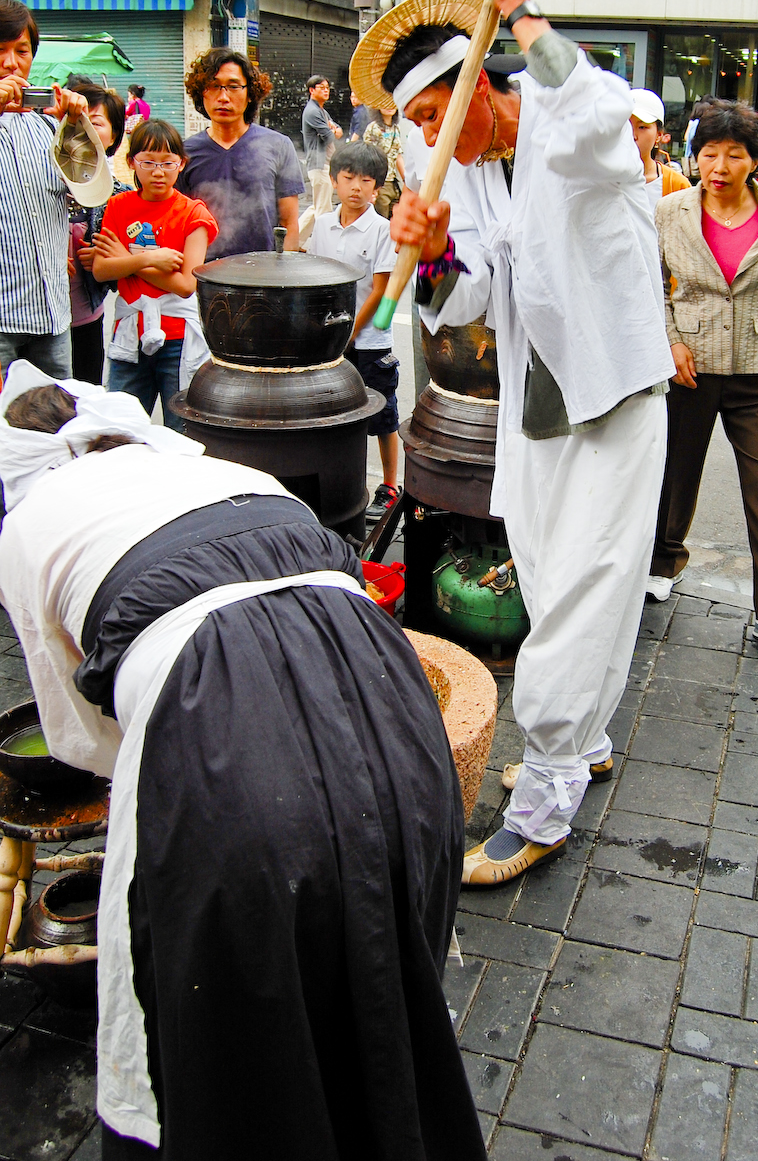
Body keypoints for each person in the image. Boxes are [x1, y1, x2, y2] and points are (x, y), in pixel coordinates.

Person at [0, 362, 483, 1161]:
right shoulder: (222, 470)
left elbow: (78, 738)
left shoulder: (29, 522)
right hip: (397, 718)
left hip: (219, 737)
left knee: (233, 1052)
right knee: (382, 979)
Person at [352, 0, 673, 885]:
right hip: (536, 402)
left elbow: (603, 117)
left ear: (477, 91)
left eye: (429, 113)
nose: (422, 133)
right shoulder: (475, 170)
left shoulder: (557, 124)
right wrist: (440, 245)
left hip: (610, 395)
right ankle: (587, 733)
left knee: (585, 585)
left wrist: (526, 15)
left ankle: (544, 799)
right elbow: (469, 295)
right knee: (547, 569)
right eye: (410, 121)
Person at [649, 100, 758, 647]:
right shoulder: (670, 209)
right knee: (675, 476)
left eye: (734, 155)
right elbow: (652, 288)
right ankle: (662, 563)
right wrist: (672, 342)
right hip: (690, 370)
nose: (719, 166)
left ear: (754, 160)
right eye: (709, 154)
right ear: (694, 155)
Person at [0, 0, 109, 378]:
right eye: (0, 51)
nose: (12, 63)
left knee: (54, 430)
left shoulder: (47, 127)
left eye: (22, 50)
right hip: (1, 321)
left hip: (52, 316)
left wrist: (78, 127)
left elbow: (92, 191)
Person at [94, 119, 217, 431]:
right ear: (131, 162)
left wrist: (128, 259)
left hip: (177, 337)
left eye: (167, 162)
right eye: (148, 162)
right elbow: (101, 269)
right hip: (129, 333)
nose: (158, 172)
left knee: (182, 428)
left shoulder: (193, 213)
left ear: (181, 164)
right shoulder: (118, 206)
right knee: (119, 429)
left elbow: (187, 285)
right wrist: (151, 258)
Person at [309, 144, 401, 518]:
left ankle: (390, 485)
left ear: (377, 189)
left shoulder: (382, 229)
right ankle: (345, 483)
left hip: (369, 341)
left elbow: (380, 290)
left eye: (366, 181)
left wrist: (349, 333)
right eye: (348, 178)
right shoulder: (322, 225)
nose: (356, 188)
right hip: (330, 341)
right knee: (336, 415)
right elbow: (316, 278)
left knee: (382, 414)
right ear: (334, 181)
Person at [180, 48, 303, 257]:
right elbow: (178, 222)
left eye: (233, 86)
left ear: (250, 94)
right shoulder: (185, 153)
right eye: (213, 86)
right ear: (201, 93)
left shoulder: (278, 145)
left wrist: (283, 276)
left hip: (263, 274)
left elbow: (289, 222)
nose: (223, 97)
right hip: (205, 275)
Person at [64, 82, 128, 384]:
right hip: (32, 319)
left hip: (86, 319)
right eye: (77, 118)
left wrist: (107, 262)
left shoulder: (120, 197)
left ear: (114, 135)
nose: (86, 128)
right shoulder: (37, 184)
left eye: (96, 122)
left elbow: (127, 274)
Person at [298, 74, 342, 246]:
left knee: (316, 207)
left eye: (327, 88)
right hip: (319, 164)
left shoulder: (322, 110)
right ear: (311, 90)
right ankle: (324, 246)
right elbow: (330, 136)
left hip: (325, 163)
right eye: (321, 87)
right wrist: (334, 131)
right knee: (323, 210)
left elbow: (336, 129)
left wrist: (334, 130)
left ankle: (294, 241)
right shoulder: (313, 111)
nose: (326, 91)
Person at [631, 89, 689, 210]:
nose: (633, 135)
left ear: (659, 134)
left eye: (642, 127)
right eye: (625, 126)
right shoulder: (600, 181)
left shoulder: (678, 186)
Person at [364, 103, 406, 218]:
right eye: (385, 104)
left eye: (392, 104)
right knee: (381, 220)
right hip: (380, 182)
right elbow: (367, 157)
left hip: (394, 182)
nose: (389, 107)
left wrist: (406, 179)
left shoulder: (396, 128)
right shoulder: (373, 128)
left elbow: (397, 155)